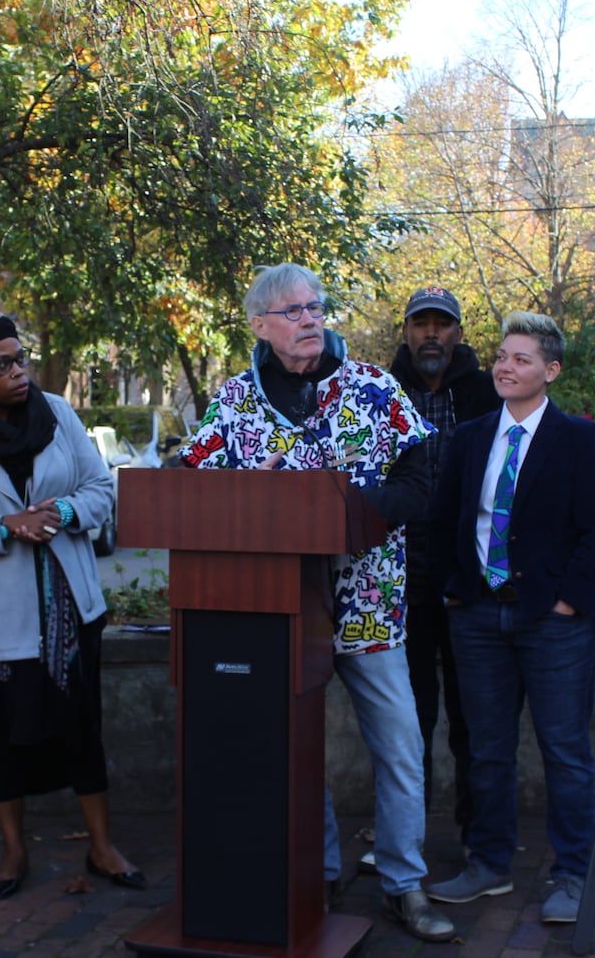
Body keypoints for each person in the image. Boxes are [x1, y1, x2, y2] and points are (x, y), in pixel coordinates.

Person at [180, 263, 455, 944]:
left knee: (398, 743)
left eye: (316, 306)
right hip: (277, 607)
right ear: (260, 325)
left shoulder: (372, 387)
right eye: (293, 310)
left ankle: (403, 882)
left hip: (367, 600)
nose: (309, 318)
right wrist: (253, 491)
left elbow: (421, 474)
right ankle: (319, 870)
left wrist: (358, 513)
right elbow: (188, 485)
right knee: (294, 744)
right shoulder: (237, 400)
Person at [0, 315, 143, 900]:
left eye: (21, 359)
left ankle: (101, 844)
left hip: (68, 607)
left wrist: (62, 514)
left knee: (83, 729)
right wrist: (5, 526)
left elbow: (99, 490)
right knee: (1, 737)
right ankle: (13, 850)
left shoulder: (58, 414)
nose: (18, 373)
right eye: (2, 364)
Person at [424, 311, 595, 924]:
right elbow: (444, 520)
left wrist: (567, 601)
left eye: (522, 359)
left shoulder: (577, 439)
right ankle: (487, 865)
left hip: (554, 623)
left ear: (550, 371)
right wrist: (456, 590)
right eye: (502, 357)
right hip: (479, 618)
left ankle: (572, 875)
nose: (505, 368)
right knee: (485, 749)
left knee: (564, 750)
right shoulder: (472, 436)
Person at [384, 287, 499, 857]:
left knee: (471, 711)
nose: (431, 334)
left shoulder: (486, 392)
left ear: (457, 333)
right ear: (406, 332)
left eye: (442, 325)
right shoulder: (381, 391)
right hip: (402, 568)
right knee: (410, 711)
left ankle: (477, 833)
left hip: (468, 570)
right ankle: (411, 832)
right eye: (420, 323)